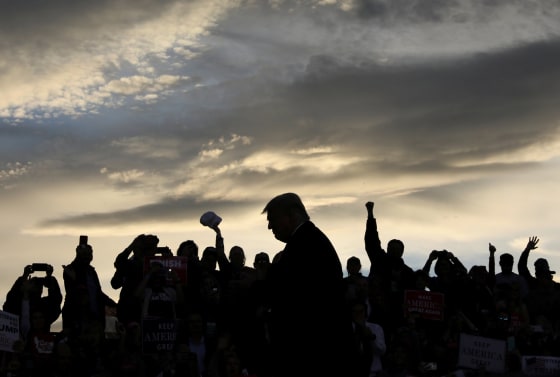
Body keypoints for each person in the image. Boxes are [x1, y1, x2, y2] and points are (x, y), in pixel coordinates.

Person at [261, 192, 355, 377]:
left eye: (273, 219)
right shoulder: (307, 241)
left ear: (293, 214)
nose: (270, 226)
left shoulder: (306, 243)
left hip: (316, 352)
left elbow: (296, 289)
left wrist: (263, 278)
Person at [61, 237, 116, 375]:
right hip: (77, 317)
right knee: (78, 352)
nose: (87, 257)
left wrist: (112, 303)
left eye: (89, 254)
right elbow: (75, 291)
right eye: (83, 254)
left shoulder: (92, 272)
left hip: (94, 318)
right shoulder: (70, 270)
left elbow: (98, 293)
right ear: (77, 255)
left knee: (96, 350)